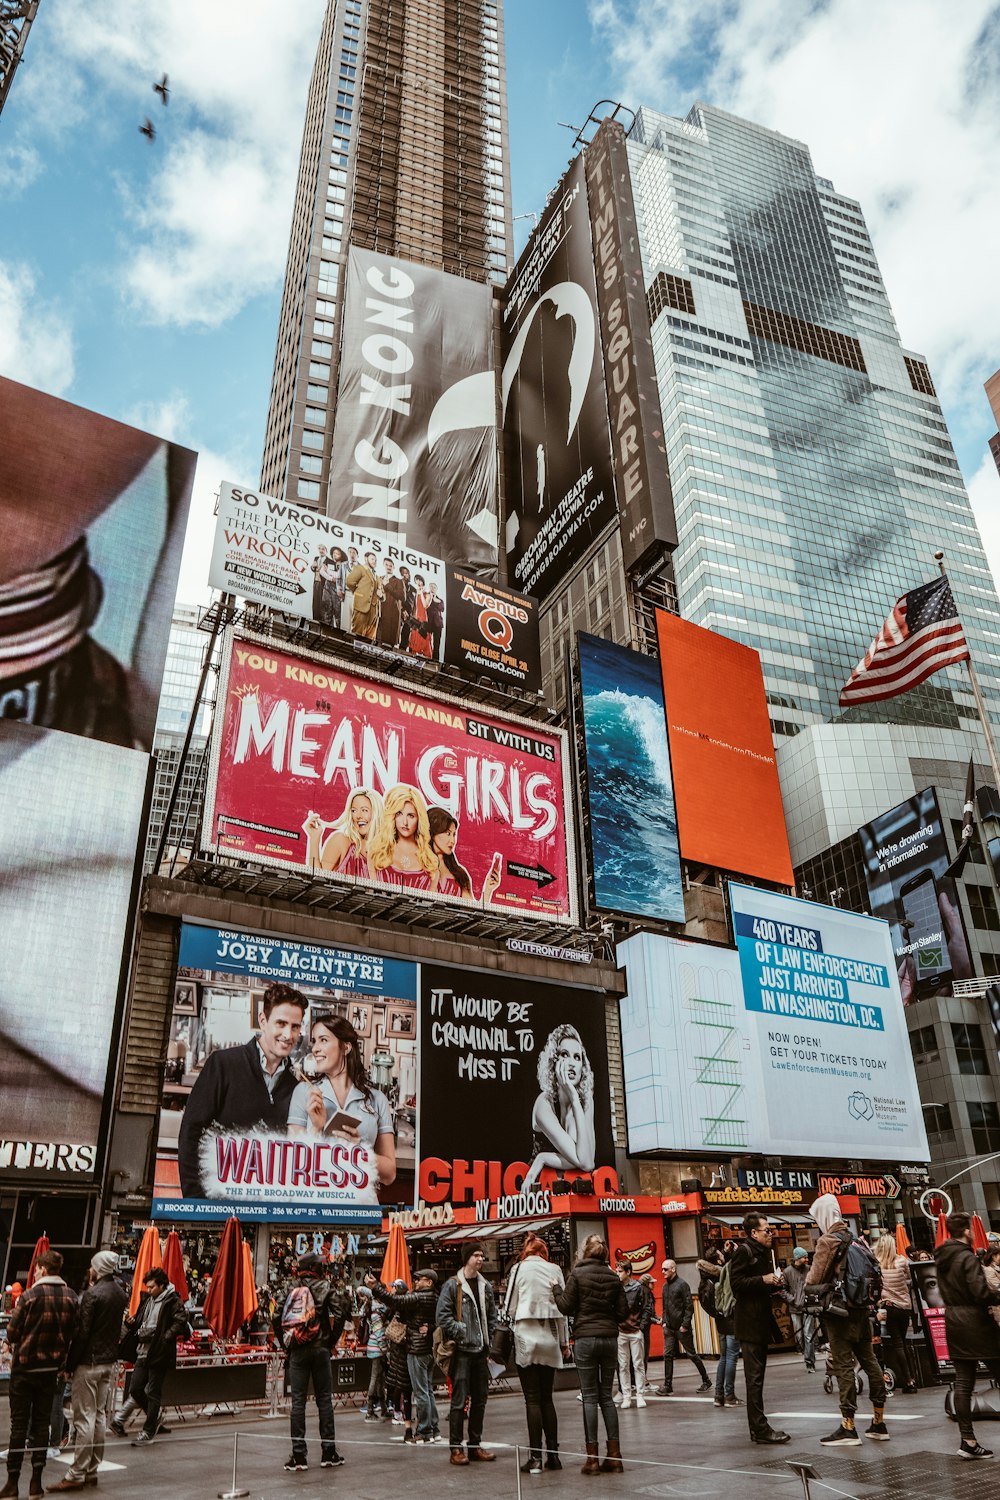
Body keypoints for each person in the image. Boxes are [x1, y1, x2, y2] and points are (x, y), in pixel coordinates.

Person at [177, 982, 306, 1198]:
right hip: (219, 1203)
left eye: (295, 1026)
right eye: (281, 1023)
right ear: (262, 1021)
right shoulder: (223, 1064)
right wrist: (196, 1201)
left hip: (269, 1209)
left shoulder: (297, 1088)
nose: (288, 1034)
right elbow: (191, 1133)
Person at [804, 1194, 887, 1447]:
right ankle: (878, 1422)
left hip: (840, 1315)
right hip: (862, 1311)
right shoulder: (857, 1240)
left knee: (843, 1366)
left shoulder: (829, 1240)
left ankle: (848, 1426)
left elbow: (814, 1279)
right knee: (870, 1362)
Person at [286, 1013, 396, 1192]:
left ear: (346, 1047)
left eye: (323, 1040)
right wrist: (316, 1129)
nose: (314, 1049)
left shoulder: (377, 1100)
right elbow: (293, 1165)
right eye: (314, 1041)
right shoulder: (304, 1092)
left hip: (361, 1206)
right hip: (315, 1204)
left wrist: (358, 1150)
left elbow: (389, 1175)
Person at [47, 1252, 128, 1493]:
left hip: (89, 1362)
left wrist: (69, 1365)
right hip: (107, 1362)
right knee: (100, 1416)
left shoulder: (93, 1295)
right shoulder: (120, 1293)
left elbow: (82, 1334)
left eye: (92, 1266)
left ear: (98, 1268)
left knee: (85, 1418)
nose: (89, 1269)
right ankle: (92, 1469)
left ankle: (77, 1472)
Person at [2, 1251, 77, 1500]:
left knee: (19, 1426)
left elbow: (12, 1333)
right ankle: (36, 1483)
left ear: (44, 1269)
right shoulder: (71, 1297)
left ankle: (12, 1484)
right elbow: (73, 1334)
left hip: (25, 1370)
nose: (34, 1273)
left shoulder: (29, 1296)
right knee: (41, 1426)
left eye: (36, 1269)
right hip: (51, 1372)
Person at [554, 1235, 627, 1476]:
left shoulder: (577, 1275)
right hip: (609, 1339)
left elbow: (564, 1306)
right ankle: (615, 1456)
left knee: (589, 1396)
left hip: (585, 1338)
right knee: (606, 1396)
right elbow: (623, 1312)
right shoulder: (613, 1276)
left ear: (584, 1252)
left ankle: (592, 1459)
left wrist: (556, 1289)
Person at [271, 1254, 348, 1472]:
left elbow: (276, 1316)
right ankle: (328, 1452)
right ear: (316, 1267)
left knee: (298, 1402)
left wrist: (286, 1344)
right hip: (321, 1348)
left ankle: (298, 1455)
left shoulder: (290, 1286)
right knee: (324, 1399)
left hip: (297, 1350)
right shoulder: (325, 1286)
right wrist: (331, 1339)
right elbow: (341, 1312)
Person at [935, 1210, 1000, 1459]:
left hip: (953, 1321)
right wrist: (996, 1295)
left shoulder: (941, 1259)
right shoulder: (967, 1257)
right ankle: (968, 1443)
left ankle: (968, 1441)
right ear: (965, 1231)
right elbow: (979, 1292)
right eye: (971, 1230)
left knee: (963, 1383)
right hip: (976, 1323)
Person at [506, 1234, 568, 1475]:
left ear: (526, 1251)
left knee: (531, 1399)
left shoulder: (518, 1269)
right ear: (544, 1252)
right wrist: (564, 1342)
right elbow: (562, 1309)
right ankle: (554, 1456)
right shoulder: (555, 1269)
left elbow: (511, 1307)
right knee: (547, 1398)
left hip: (526, 1336)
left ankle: (535, 1458)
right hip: (551, 1336)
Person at [729, 1213, 789, 1445]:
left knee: (757, 1378)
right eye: (767, 1230)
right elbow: (737, 1284)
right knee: (754, 1379)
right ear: (753, 1232)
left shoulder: (762, 1253)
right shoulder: (744, 1252)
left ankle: (759, 1428)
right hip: (750, 1323)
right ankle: (760, 1429)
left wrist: (773, 1283)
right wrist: (763, 1280)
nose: (770, 1233)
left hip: (759, 1321)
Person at [435, 1243, 498, 1466]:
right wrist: (461, 1332)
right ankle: (455, 1448)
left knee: (480, 1399)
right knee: (459, 1401)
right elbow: (442, 1317)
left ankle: (474, 1445)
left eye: (482, 1255)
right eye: (476, 1255)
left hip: (480, 1351)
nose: (480, 1259)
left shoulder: (485, 1286)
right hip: (461, 1352)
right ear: (466, 1259)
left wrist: (488, 1336)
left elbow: (492, 1314)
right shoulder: (453, 1285)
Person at [112, 1267, 188, 1447]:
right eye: (148, 1287)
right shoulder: (147, 1300)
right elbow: (140, 1319)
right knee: (135, 1389)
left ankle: (148, 1430)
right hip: (142, 1350)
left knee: (153, 1392)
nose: (149, 1290)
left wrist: (165, 1338)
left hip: (159, 1352)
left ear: (162, 1285)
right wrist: (131, 1325)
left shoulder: (172, 1300)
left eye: (152, 1287)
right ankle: (155, 1419)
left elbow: (181, 1321)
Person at [521, 1025, 596, 1193]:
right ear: (553, 1061)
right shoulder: (544, 1103)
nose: (571, 1064)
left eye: (577, 1057)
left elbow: (587, 1162)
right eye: (564, 1055)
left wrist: (543, 1158)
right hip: (537, 1187)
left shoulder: (585, 1101)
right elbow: (583, 1161)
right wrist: (539, 1160)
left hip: (570, 1186)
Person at [372, 1270, 441, 1444]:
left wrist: (376, 1288)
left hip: (417, 1349)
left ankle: (425, 1430)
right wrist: (431, 1327)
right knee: (428, 1390)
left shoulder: (419, 1297)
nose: (416, 1282)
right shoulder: (435, 1298)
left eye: (420, 1279)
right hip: (428, 1348)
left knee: (421, 1392)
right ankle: (433, 1428)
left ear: (429, 1282)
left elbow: (395, 1300)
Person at [367, 784, 439, 892]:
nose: (405, 822)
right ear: (392, 816)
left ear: (419, 819)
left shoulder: (429, 862)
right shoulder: (377, 853)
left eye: (411, 816)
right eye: (399, 814)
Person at [657, 1259, 711, 1396]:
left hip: (681, 1328)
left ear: (673, 1269)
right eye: (662, 1269)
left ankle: (706, 1380)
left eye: (666, 1269)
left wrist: (685, 1325)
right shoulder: (664, 1287)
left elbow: (689, 1306)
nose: (663, 1272)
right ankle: (667, 1385)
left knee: (691, 1354)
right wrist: (664, 1322)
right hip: (669, 1327)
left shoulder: (682, 1285)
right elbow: (664, 1307)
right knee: (667, 1355)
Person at [303, 787, 383, 878]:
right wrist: (314, 838)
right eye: (353, 810)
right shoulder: (341, 840)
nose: (358, 816)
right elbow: (316, 879)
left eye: (364, 810)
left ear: (376, 813)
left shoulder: (383, 854)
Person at [873, 1233, 917, 1394]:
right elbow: (909, 1278)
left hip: (888, 1306)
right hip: (904, 1307)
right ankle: (911, 1378)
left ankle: (906, 1378)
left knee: (897, 1343)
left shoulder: (877, 1264)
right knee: (903, 1342)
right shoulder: (902, 1261)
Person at [698, 1247, 740, 1407]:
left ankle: (718, 1395)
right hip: (729, 1317)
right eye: (721, 1255)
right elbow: (731, 1269)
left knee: (724, 1357)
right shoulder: (723, 1274)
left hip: (719, 1320)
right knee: (731, 1357)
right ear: (717, 1260)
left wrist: (726, 1252)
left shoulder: (707, 1276)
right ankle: (730, 1395)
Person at [614, 1263, 651, 1408]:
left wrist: (641, 1327)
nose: (618, 1274)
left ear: (628, 1272)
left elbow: (647, 1308)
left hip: (633, 1330)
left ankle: (638, 1395)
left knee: (637, 1364)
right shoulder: (620, 1288)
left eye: (620, 1271)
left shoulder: (638, 1288)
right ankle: (628, 1395)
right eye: (617, 1271)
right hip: (623, 1331)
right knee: (625, 1365)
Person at [781, 1247, 817, 1372]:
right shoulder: (787, 1272)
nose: (807, 1259)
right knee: (800, 1336)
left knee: (809, 1335)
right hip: (795, 1307)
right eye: (804, 1257)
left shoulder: (810, 1269)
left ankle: (809, 1362)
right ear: (797, 1258)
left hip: (808, 1307)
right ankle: (804, 1352)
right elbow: (783, 1290)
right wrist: (792, 1300)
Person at [361, 1276, 390, 1421]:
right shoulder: (378, 1311)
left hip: (374, 1347)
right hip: (377, 1348)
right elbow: (379, 1333)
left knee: (379, 1378)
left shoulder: (374, 1308)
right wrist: (385, 1350)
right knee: (375, 1378)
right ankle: (370, 1409)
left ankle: (383, 1408)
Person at [346, 551, 381, 641]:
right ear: (366, 559)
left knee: (369, 638)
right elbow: (349, 582)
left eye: (376, 560)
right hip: (361, 606)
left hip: (374, 611)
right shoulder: (360, 568)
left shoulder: (377, 576)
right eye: (372, 559)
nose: (374, 561)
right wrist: (358, 593)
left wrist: (381, 595)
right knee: (357, 633)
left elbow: (382, 593)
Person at [377, 559, 405, 648]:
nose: (388, 567)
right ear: (384, 565)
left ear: (393, 567)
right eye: (386, 565)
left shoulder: (399, 581)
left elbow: (402, 597)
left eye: (390, 565)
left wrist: (387, 585)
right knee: (376, 639)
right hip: (378, 611)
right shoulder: (379, 578)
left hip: (391, 613)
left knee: (388, 644)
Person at [407, 577, 433, 658]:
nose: (418, 582)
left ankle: (426, 654)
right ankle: (414, 654)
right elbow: (415, 607)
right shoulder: (416, 593)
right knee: (414, 636)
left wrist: (421, 593)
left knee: (423, 635)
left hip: (423, 617)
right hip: (416, 617)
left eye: (419, 580)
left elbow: (425, 605)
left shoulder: (428, 594)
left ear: (422, 581)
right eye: (416, 581)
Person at [397, 565, 415, 647]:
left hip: (409, 614)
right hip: (399, 611)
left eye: (407, 573)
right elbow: (396, 598)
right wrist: (402, 610)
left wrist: (412, 617)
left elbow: (414, 605)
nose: (406, 575)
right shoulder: (398, 583)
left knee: (406, 633)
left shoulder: (413, 589)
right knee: (396, 630)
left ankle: (402, 649)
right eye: (404, 573)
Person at [426, 581, 444, 660]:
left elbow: (442, 609)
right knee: (426, 641)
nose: (432, 588)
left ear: (436, 589)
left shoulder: (440, 600)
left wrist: (434, 598)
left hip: (437, 624)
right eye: (431, 586)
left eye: (434, 587)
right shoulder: (426, 596)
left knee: (436, 643)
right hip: (427, 622)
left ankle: (435, 659)